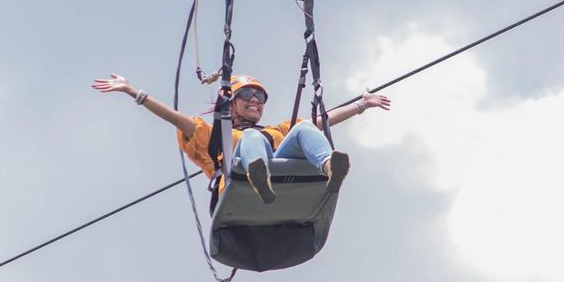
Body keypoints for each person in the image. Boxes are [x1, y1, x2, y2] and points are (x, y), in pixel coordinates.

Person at [92, 73, 391, 203]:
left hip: (279, 170)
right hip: (236, 181)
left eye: (260, 96)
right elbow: (176, 118)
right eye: (247, 95)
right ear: (232, 102)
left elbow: (322, 120)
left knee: (303, 129)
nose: (255, 100)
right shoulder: (217, 135)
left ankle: (329, 169)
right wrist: (134, 92)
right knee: (250, 141)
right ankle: (256, 176)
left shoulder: (275, 132)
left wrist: (362, 104)